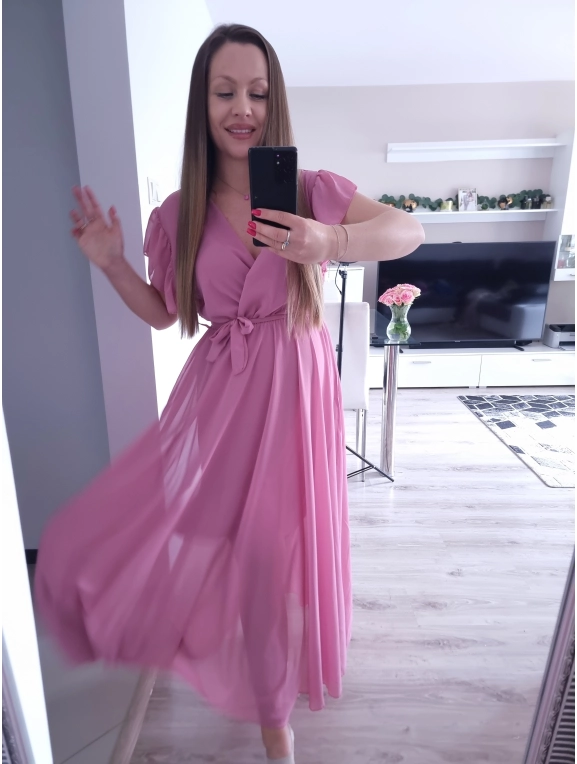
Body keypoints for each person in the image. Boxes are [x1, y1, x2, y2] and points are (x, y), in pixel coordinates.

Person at [34, 23, 424, 763]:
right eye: (224, 92)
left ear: (274, 103)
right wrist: (112, 264)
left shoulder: (310, 190)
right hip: (222, 392)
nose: (242, 108)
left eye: (257, 92)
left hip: (296, 382)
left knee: (276, 553)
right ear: (202, 103)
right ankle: (242, 675)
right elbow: (166, 313)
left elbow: (409, 231)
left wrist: (329, 242)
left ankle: (273, 714)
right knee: (233, 547)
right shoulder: (178, 213)